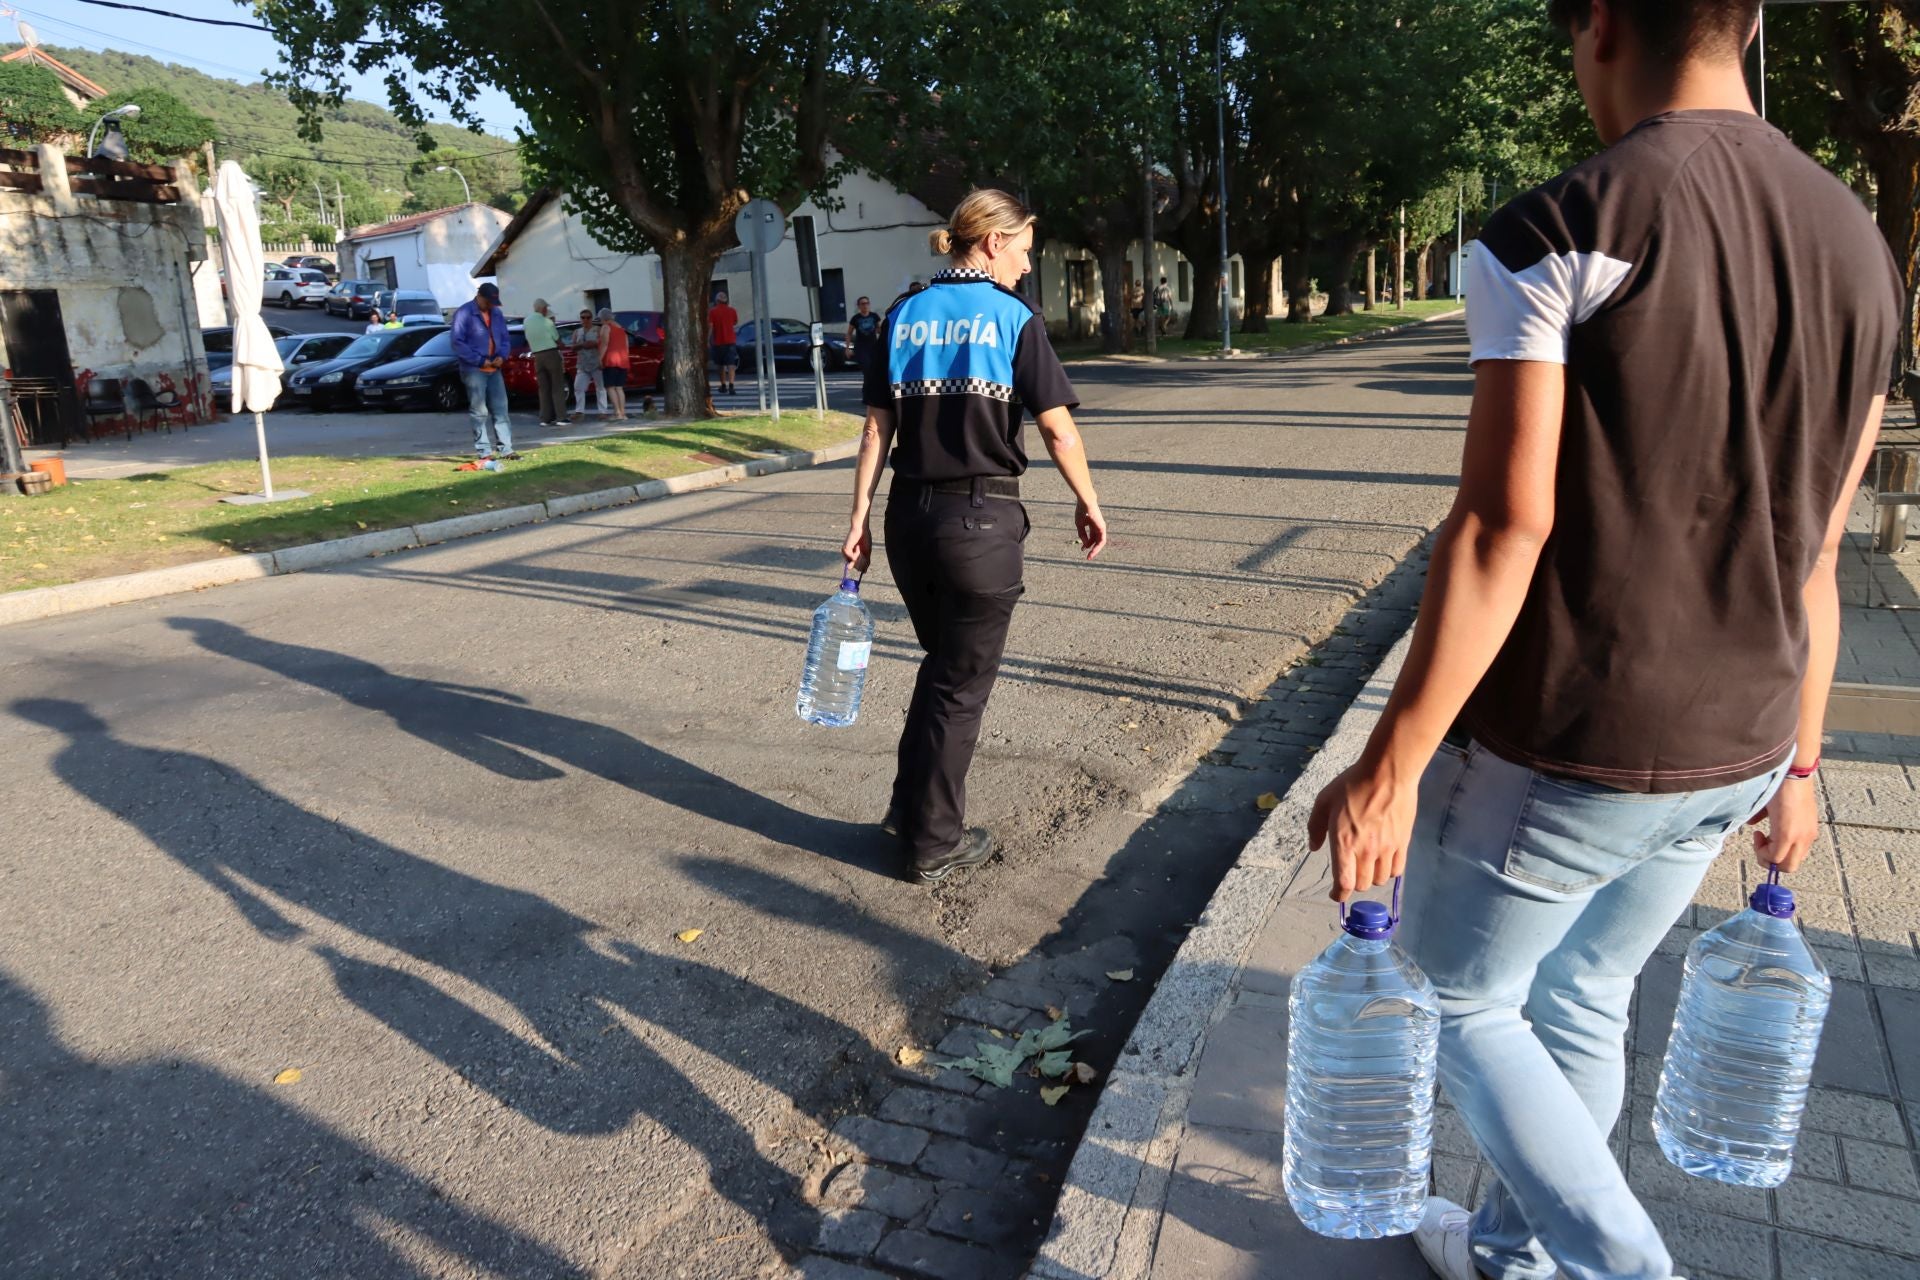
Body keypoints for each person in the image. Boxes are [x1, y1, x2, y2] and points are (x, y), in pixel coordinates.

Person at [1301, 3, 1900, 1279]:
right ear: (1743, 22)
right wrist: (1802, 766)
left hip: (1581, 741)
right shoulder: (1864, 248)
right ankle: (1521, 1257)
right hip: (1744, 740)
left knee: (1456, 998)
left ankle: (1628, 1268)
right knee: (1577, 995)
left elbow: (1500, 528)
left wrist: (1390, 765)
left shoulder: (1561, 226)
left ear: (1600, 26)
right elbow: (1817, 554)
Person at [842, 189, 1108, 885]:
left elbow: (876, 429)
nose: (1026, 265)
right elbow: (1056, 428)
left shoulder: (900, 314)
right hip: (979, 525)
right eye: (1022, 249)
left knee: (943, 670)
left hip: (908, 521)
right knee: (959, 684)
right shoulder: (1013, 317)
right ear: (991, 242)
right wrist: (1089, 500)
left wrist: (858, 520)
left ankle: (909, 812)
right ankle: (934, 843)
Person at [449, 283, 516, 460]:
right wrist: (479, 360)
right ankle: (484, 452)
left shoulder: (497, 313)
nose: (491, 306)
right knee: (479, 411)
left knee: (501, 408)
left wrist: (502, 356)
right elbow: (457, 343)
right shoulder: (463, 313)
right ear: (479, 296)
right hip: (474, 369)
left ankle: (506, 449)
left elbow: (505, 339)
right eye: (488, 301)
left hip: (494, 368)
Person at [525, 298, 566, 428]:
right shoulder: (547, 322)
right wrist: (562, 344)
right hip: (551, 353)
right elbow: (557, 339)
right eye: (546, 308)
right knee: (557, 386)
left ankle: (545, 418)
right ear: (543, 309)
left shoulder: (526, 321)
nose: (546, 310)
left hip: (537, 355)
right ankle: (561, 417)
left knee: (543, 388)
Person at [571, 308, 605, 420]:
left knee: (600, 387)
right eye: (583, 317)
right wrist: (581, 345)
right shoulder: (577, 332)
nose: (585, 320)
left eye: (588, 317)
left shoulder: (598, 330)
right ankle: (579, 411)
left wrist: (594, 344)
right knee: (578, 387)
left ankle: (602, 411)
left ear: (592, 318)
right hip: (582, 363)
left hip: (596, 361)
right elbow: (573, 347)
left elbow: (603, 343)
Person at [597, 308, 630, 422]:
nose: (600, 321)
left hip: (610, 360)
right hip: (622, 360)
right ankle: (623, 413)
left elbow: (604, 344)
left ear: (604, 318)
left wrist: (599, 359)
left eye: (600, 319)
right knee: (619, 388)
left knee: (610, 387)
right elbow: (626, 346)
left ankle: (617, 413)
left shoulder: (606, 328)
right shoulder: (621, 329)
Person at [709, 291, 739, 395]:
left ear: (716, 301)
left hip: (718, 342)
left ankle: (723, 385)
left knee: (720, 365)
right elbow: (735, 322)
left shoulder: (712, 312)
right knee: (731, 364)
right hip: (730, 340)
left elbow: (711, 326)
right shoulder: (732, 311)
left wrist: (708, 340)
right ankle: (731, 385)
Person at [845, 295, 882, 377]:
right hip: (861, 347)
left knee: (874, 368)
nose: (865, 305)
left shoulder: (874, 316)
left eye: (867, 303)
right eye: (863, 304)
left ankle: (871, 387)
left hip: (873, 346)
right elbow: (849, 333)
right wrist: (847, 348)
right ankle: (868, 388)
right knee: (866, 367)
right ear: (859, 306)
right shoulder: (855, 318)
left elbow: (880, 330)